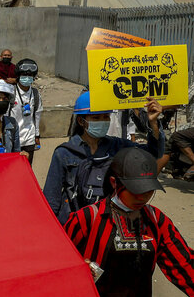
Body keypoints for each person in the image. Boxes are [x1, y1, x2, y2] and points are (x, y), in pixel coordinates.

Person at [63, 147, 194, 297]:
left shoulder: (156, 220)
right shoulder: (87, 219)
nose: (143, 196)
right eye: (136, 190)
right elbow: (57, 265)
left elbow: (184, 264)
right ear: (115, 183)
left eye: (149, 190)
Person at [43, 91, 164, 224]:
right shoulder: (64, 153)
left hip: (108, 222)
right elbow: (51, 199)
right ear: (81, 121)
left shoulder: (117, 145)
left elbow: (153, 154)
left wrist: (153, 124)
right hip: (75, 222)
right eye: (96, 118)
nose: (102, 121)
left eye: (106, 117)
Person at [9, 59, 42, 164]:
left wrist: (37, 135)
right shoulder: (11, 92)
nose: (27, 77)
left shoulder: (35, 94)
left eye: (30, 75)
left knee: (27, 167)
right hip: (12, 138)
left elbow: (37, 114)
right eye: (24, 74)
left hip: (29, 138)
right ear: (18, 75)